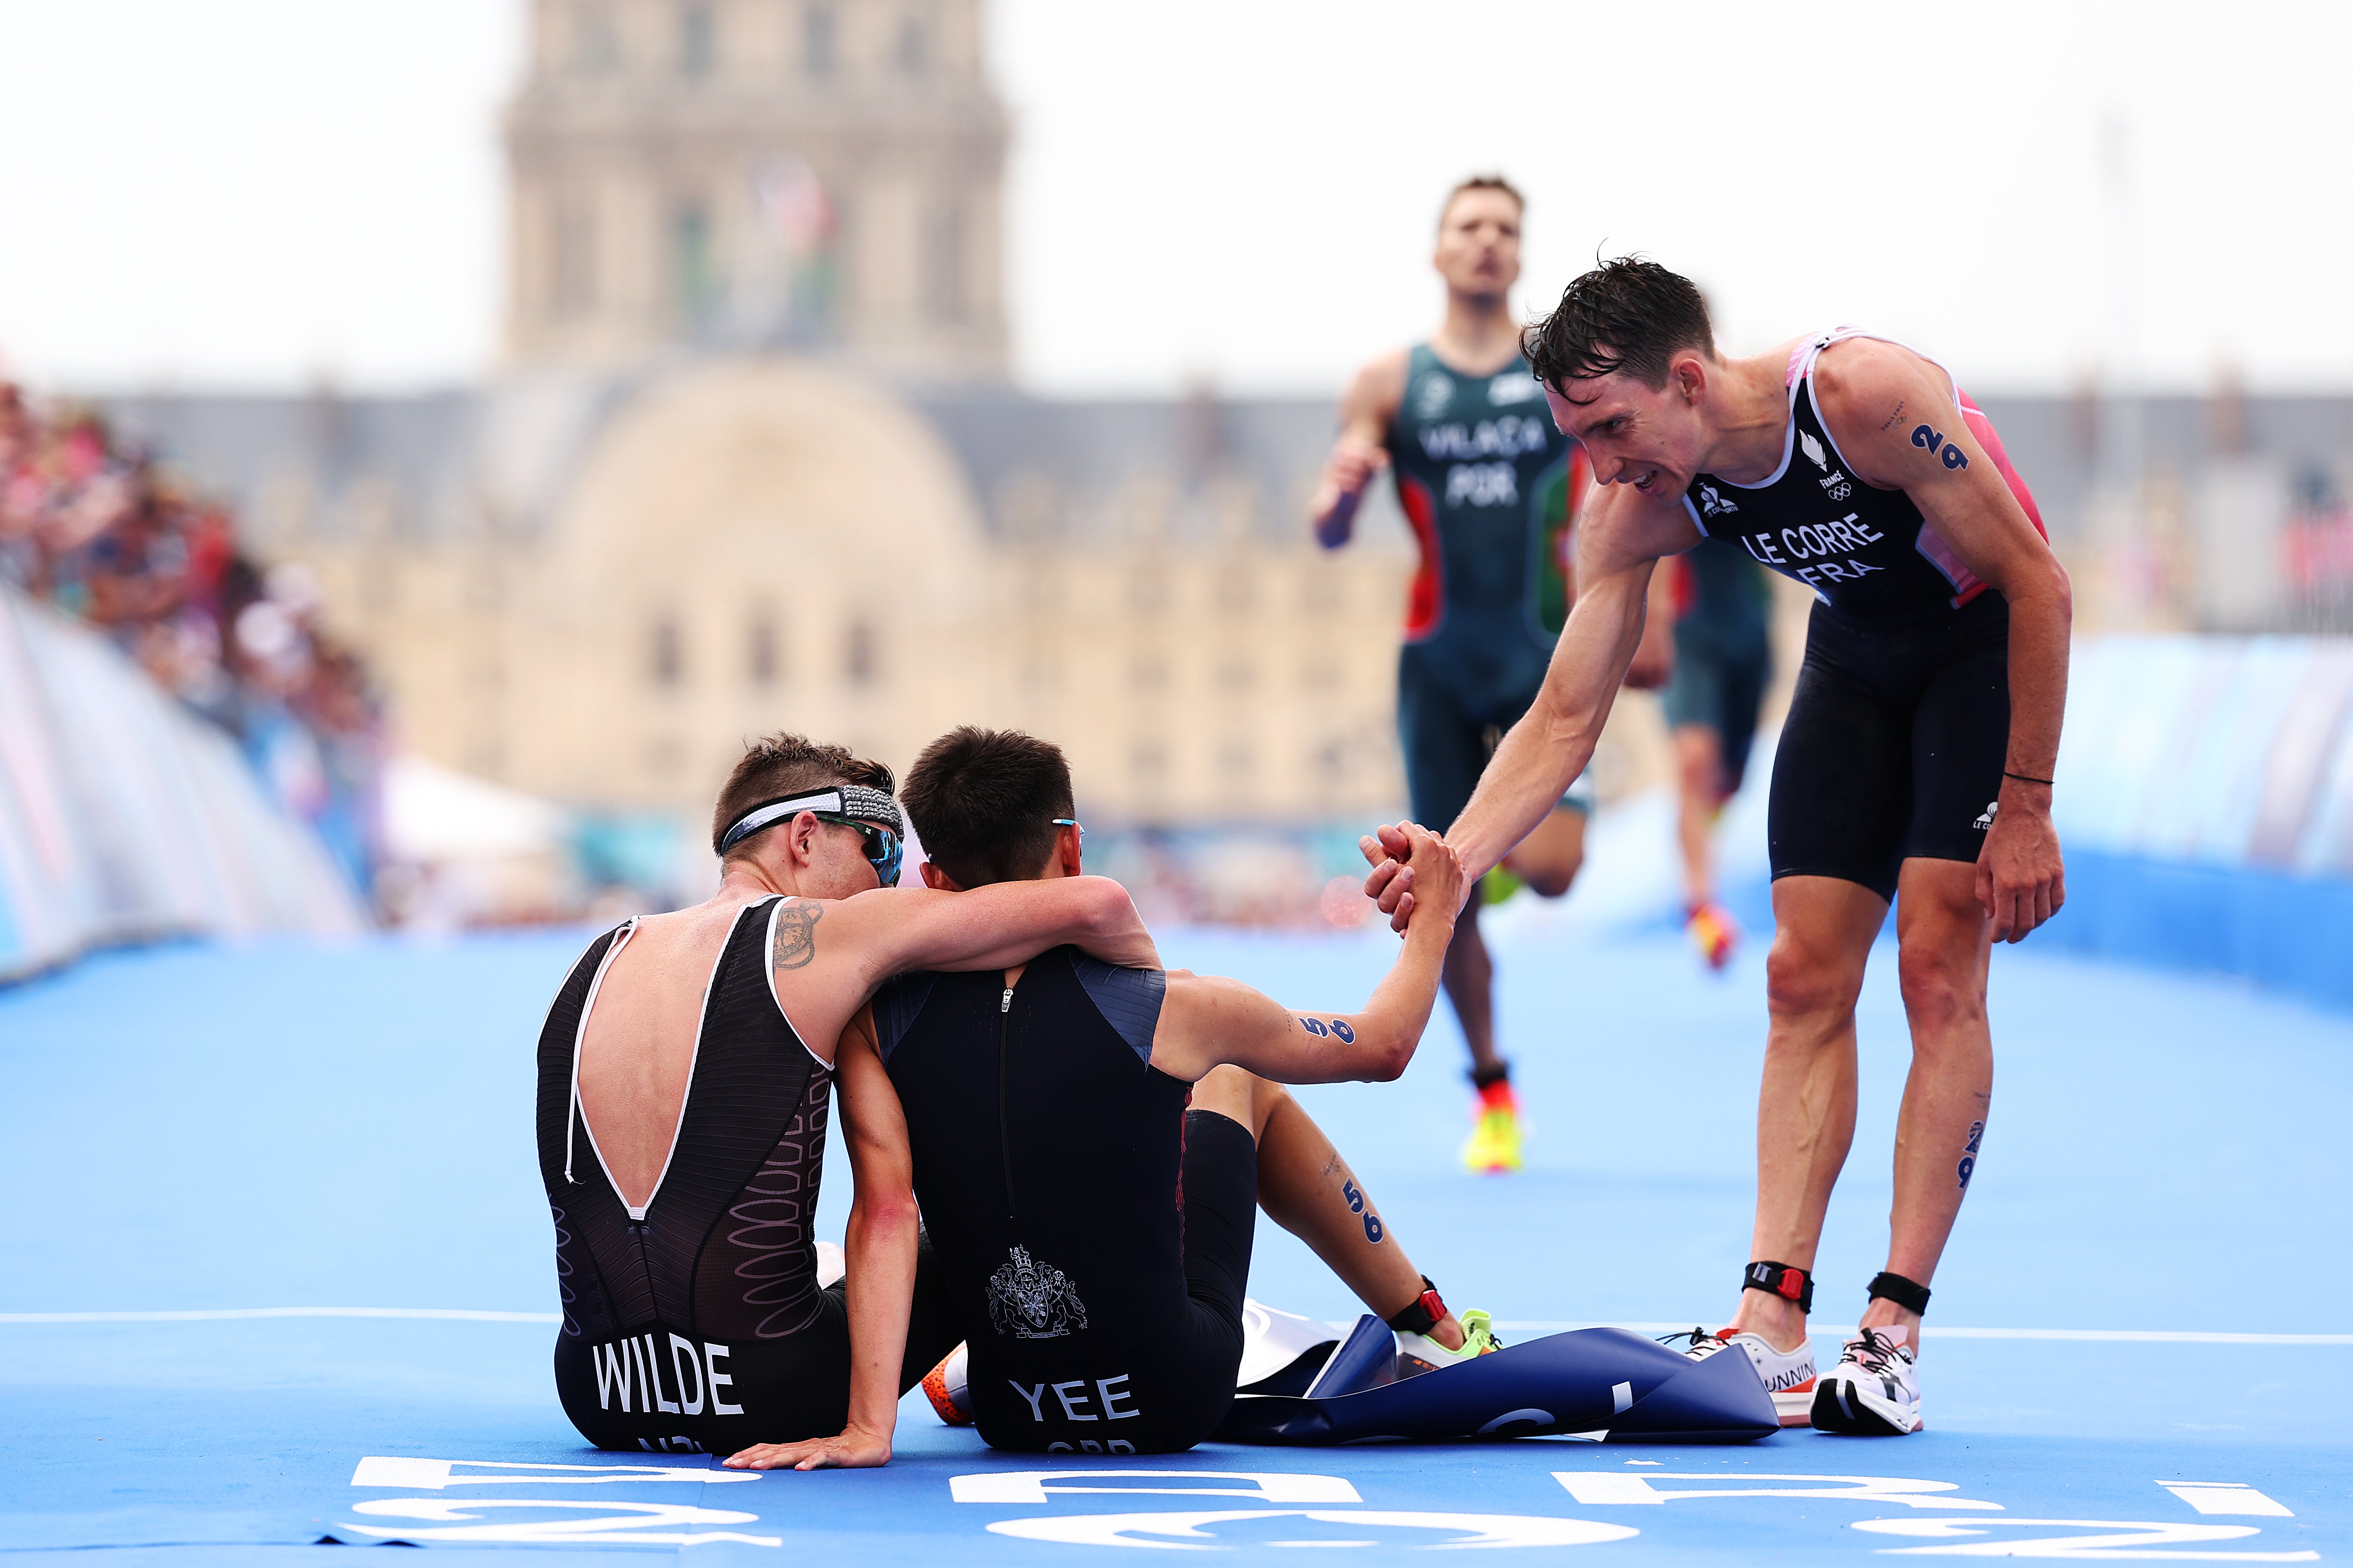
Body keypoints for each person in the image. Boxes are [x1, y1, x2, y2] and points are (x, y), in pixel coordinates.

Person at [1362, 259, 2069, 1436]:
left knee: (1933, 966)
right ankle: (1770, 1323)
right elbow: (1564, 715)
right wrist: (1454, 852)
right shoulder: (1640, 502)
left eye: (1611, 428)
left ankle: (1887, 1331)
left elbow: (2036, 583)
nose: (1599, 467)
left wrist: (2028, 803)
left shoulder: (1860, 398)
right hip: (1853, 657)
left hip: (1976, 649)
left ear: (1685, 380)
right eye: (1575, 439)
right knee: (1798, 976)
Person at [726, 726, 1480, 1467]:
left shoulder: (877, 1021)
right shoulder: (1178, 1006)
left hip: (1011, 1408)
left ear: (933, 881)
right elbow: (1385, 1046)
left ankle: (969, 1358)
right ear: (1073, 847)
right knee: (1237, 1074)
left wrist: (868, 1426)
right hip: (1174, 1398)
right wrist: (1438, 912)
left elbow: (884, 1214)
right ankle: (1430, 1324)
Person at [533, 732, 1158, 1456]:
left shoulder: (601, 953)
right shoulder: (823, 931)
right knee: (987, 1233)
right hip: (773, 1387)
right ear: (804, 835)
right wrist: (1147, 1026)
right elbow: (1099, 905)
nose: (887, 886)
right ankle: (1003, 1378)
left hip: (598, 1392)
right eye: (880, 853)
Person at [1309, 175, 1644, 1175]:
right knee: (1436, 892)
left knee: (1552, 870)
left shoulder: (1560, 374)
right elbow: (1329, 526)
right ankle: (1492, 1089)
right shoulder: (1388, 383)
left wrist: (1648, 609)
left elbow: (1634, 482)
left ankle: (1483, 869)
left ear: (1519, 253)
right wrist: (1339, 494)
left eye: (1505, 228)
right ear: (1439, 251)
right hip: (1439, 665)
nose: (1487, 241)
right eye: (1469, 226)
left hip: (1544, 653)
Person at [1648, 535, 1776, 968]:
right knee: (1695, 762)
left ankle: (1705, 818)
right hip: (1686, 628)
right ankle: (1701, 905)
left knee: (1729, 779)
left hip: (1748, 626)